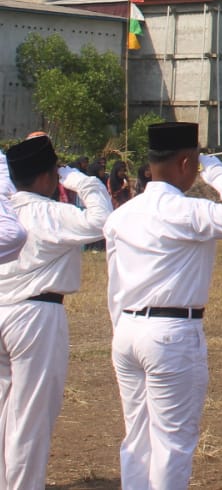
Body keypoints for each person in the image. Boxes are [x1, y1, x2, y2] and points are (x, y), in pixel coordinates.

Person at [104, 121, 222, 490]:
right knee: (173, 443)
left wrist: (121, 330)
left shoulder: (121, 215)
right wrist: (219, 174)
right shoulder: (187, 211)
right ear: (188, 163)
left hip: (127, 330)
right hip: (171, 333)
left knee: (137, 440)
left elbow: (114, 285)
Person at [0, 135, 111, 489]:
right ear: (49, 176)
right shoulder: (50, 213)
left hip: (3, 309)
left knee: (4, 413)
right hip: (36, 315)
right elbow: (101, 221)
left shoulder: (6, 212)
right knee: (30, 418)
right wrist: (80, 179)